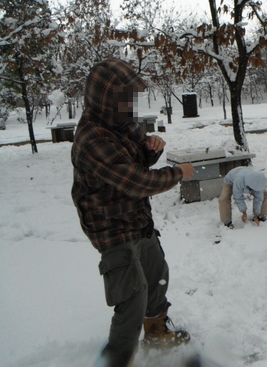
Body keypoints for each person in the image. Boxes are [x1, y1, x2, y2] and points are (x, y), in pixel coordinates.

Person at [71, 58, 195, 367]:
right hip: (110, 226)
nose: (131, 104)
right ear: (105, 98)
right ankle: (118, 357)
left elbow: (136, 162)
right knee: (132, 295)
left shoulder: (121, 123)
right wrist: (177, 173)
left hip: (136, 218)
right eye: (124, 97)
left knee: (156, 275)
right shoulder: (92, 139)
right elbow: (136, 181)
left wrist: (150, 149)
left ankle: (156, 331)